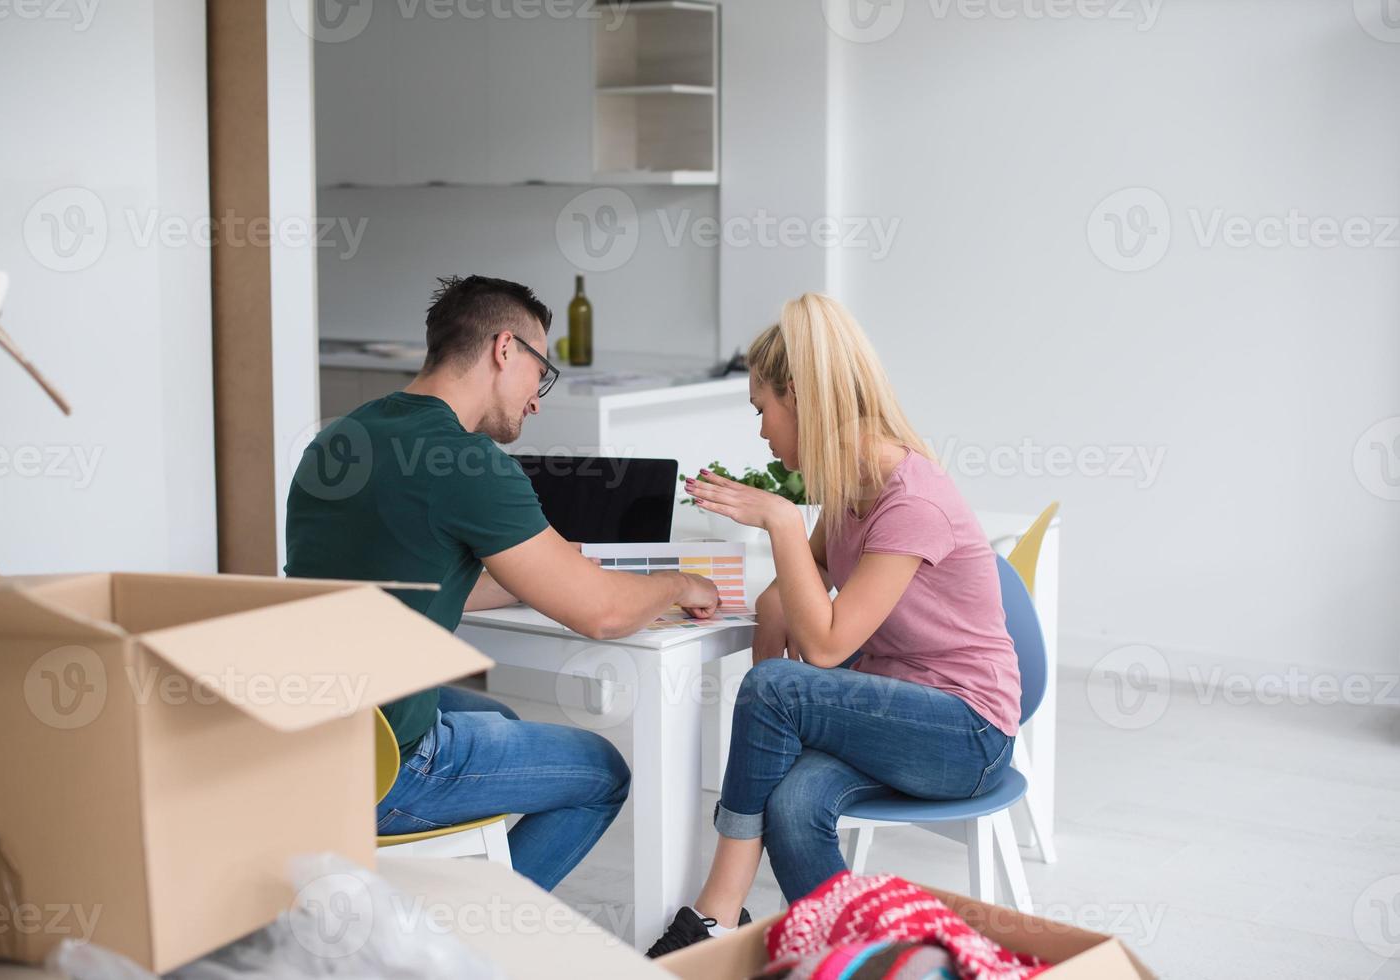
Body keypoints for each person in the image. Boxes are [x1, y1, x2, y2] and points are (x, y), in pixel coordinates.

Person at [285, 274, 721, 891]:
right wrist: (677, 585)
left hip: (306, 743)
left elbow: (409, 576)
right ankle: (477, 938)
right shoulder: (468, 461)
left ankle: (439, 889)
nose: (537, 400)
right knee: (602, 771)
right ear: (504, 349)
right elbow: (602, 615)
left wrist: (535, 573)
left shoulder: (336, 441)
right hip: (389, 771)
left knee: (498, 716)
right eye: (540, 374)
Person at [646, 293, 1021, 955]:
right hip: (891, 715)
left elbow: (822, 645)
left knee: (776, 691)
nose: (761, 431)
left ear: (799, 399)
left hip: (964, 732)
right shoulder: (853, 486)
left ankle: (714, 914)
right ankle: (844, 959)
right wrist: (770, 614)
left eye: (763, 409)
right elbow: (785, 601)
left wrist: (782, 521)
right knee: (791, 803)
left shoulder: (910, 496)